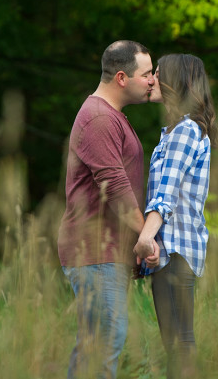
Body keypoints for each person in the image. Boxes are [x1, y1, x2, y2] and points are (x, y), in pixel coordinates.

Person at [57, 40, 157, 379]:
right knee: (102, 347)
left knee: (96, 345)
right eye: (147, 75)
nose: (153, 81)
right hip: (95, 251)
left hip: (105, 251)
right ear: (121, 78)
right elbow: (116, 190)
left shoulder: (109, 114)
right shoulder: (99, 118)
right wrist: (147, 237)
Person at [133, 54, 218, 379]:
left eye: (157, 73)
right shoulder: (175, 131)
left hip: (177, 252)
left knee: (180, 343)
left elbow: (165, 194)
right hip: (173, 252)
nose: (152, 78)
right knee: (177, 343)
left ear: (174, 81)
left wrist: (145, 237)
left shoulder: (185, 130)